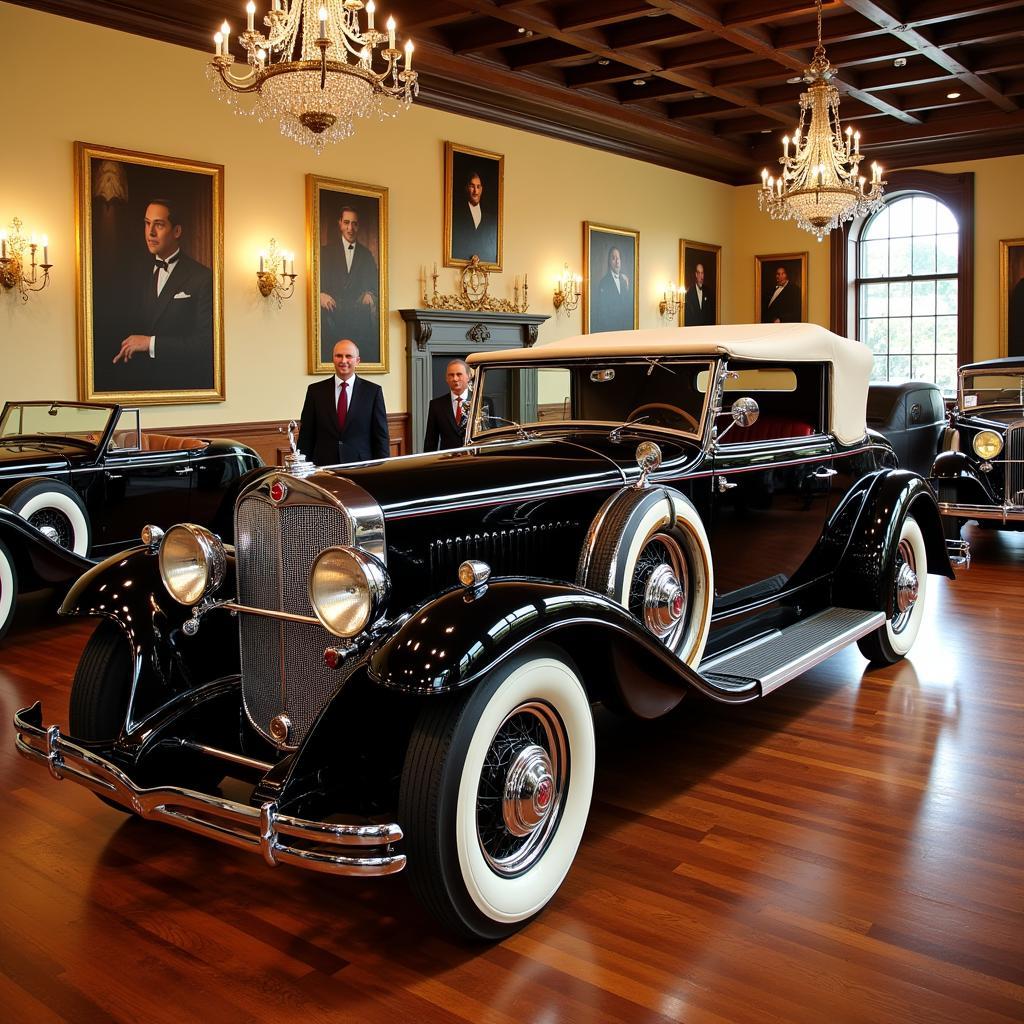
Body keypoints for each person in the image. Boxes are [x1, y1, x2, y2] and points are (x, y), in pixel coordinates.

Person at [108, 199, 214, 392]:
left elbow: (204, 345)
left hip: (183, 389)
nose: (151, 233)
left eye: (159, 224)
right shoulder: (132, 273)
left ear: (177, 231)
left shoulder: (202, 277)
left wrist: (150, 343)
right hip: (135, 389)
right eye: (147, 223)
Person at [298, 339, 389, 466]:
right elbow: (306, 436)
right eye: (339, 356)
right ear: (333, 359)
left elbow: (381, 438)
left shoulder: (373, 392)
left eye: (349, 356)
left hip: (361, 467)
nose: (343, 361)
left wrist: (382, 470)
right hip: (324, 467)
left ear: (357, 361)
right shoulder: (315, 391)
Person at [319, 205, 379, 365]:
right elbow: (315, 284)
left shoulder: (366, 255)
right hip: (331, 317)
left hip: (357, 320)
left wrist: (370, 293)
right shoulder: (325, 253)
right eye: (346, 222)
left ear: (358, 226)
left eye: (354, 223)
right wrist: (319, 295)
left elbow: (375, 286)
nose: (350, 228)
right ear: (340, 223)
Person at [423, 359, 473, 452]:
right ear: (446, 379)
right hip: (447, 461)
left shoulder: (481, 402)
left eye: (459, 374)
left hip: (475, 460)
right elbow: (431, 442)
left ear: (468, 376)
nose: (455, 378)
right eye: (451, 375)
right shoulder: (436, 405)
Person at [451, 168, 497, 264]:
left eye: (478, 187)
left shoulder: (490, 216)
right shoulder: (457, 213)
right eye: (472, 186)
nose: (475, 191)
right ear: (466, 188)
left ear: (482, 189)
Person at [592, 246, 633, 333]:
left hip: (626, 332)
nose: (617, 261)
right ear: (609, 262)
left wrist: (628, 287)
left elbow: (628, 307)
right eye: (613, 258)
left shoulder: (625, 280)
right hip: (610, 333)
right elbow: (602, 314)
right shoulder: (604, 283)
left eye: (618, 258)